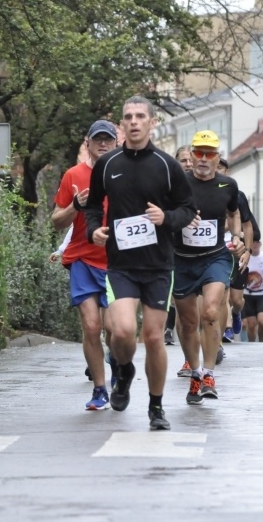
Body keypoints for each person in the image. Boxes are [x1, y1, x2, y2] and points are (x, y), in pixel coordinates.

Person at [84, 96, 197, 430]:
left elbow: (187, 210)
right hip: (121, 265)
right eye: (128, 117)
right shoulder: (108, 164)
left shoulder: (167, 165)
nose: (133, 122)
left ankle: (156, 407)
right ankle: (123, 371)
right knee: (121, 331)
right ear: (122, 125)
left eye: (140, 117)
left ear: (152, 123)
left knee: (152, 337)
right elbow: (92, 207)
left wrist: (166, 217)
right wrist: (94, 231)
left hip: (159, 266)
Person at [172, 130, 245, 404]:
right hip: (181, 259)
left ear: (218, 158)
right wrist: (180, 219)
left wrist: (236, 237)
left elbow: (234, 212)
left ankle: (210, 374)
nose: (203, 159)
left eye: (210, 154)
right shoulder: (178, 184)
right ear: (191, 156)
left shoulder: (229, 185)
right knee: (189, 322)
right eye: (199, 153)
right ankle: (194, 372)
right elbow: (163, 212)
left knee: (211, 311)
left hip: (215, 256)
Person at [52, 120, 118, 410]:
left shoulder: (125, 174)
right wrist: (74, 208)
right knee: (92, 327)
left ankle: (117, 363)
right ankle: (100, 388)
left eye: (108, 140)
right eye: (97, 139)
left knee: (117, 330)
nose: (103, 144)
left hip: (118, 263)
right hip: (82, 259)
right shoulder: (73, 175)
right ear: (87, 143)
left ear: (117, 143)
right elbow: (56, 221)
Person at [217, 157, 255, 347]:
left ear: (227, 172)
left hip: (237, 252)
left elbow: (249, 227)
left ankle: (236, 312)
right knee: (222, 292)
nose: (218, 170)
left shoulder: (237, 196)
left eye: (221, 168)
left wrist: (247, 250)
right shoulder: (205, 192)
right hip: (217, 252)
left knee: (236, 299)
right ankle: (227, 329)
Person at [164, 145, 192, 348]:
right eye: (184, 160)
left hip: (202, 252)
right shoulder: (168, 186)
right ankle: (169, 327)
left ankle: (214, 340)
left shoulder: (206, 185)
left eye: (191, 159)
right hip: (172, 247)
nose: (189, 164)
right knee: (177, 296)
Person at [242, 239, 263, 342]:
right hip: (248, 293)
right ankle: (252, 344)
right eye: (253, 242)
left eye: (257, 242)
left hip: (262, 293)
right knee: (251, 325)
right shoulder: (245, 257)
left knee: (262, 321)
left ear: (260, 244)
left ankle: (261, 341)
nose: (255, 245)